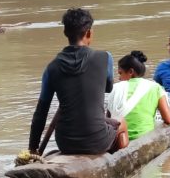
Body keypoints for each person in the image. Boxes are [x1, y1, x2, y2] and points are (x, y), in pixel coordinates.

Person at [29, 8, 127, 155]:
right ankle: (119, 161)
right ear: (89, 33)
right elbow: (108, 88)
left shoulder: (52, 67)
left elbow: (40, 113)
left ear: (65, 33)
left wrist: (33, 148)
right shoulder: (105, 57)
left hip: (65, 142)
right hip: (97, 139)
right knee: (121, 122)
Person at [107, 51, 170, 140]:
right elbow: (168, 119)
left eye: (121, 73)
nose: (119, 78)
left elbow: (108, 119)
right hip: (144, 138)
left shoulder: (115, 88)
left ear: (131, 72)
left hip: (118, 140)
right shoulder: (155, 87)